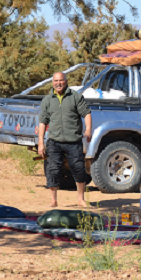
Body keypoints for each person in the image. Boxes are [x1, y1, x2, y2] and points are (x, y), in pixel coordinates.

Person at [38, 72, 92, 208]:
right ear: (52, 83)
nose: (58, 83)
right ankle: (53, 201)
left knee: (79, 168)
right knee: (53, 170)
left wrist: (88, 130)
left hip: (73, 141)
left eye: (61, 80)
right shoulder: (47, 100)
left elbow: (86, 113)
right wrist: (40, 143)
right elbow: (42, 122)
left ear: (66, 81)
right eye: (56, 81)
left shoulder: (75, 97)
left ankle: (80, 199)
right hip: (54, 142)